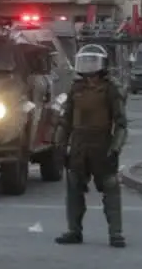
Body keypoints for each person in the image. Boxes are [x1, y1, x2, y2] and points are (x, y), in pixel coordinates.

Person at [55, 44, 128, 248]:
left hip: (102, 142)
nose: (89, 68)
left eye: (92, 62)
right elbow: (65, 120)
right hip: (79, 143)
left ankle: (116, 233)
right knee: (74, 187)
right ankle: (74, 231)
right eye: (85, 62)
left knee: (110, 187)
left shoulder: (111, 88)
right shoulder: (76, 88)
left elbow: (121, 123)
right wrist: (61, 146)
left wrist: (115, 149)